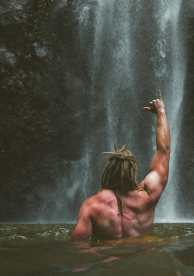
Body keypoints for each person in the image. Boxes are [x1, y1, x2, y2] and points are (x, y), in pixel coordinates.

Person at [71, 90, 170, 239]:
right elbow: (164, 151)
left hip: (109, 258)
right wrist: (161, 112)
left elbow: (79, 247)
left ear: (108, 170)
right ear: (133, 171)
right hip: (140, 256)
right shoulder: (148, 196)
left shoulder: (92, 206)